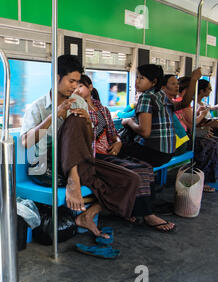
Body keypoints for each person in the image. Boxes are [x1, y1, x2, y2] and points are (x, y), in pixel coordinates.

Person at [20, 55, 140, 239]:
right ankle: (73, 180)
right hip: (48, 166)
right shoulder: (37, 108)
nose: (74, 86)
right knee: (74, 120)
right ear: (56, 77)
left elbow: (89, 140)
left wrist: (86, 122)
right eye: (71, 81)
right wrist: (53, 116)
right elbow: (25, 142)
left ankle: (87, 216)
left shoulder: (79, 102)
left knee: (131, 179)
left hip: (78, 160)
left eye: (77, 82)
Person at [74, 75, 175, 232]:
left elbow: (113, 132)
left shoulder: (102, 109)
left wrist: (118, 142)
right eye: (74, 86)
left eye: (80, 86)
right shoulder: (77, 111)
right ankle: (148, 215)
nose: (76, 90)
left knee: (146, 167)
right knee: (135, 172)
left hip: (109, 152)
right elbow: (82, 140)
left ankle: (135, 210)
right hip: (94, 156)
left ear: (90, 87)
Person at [120, 64, 201, 168]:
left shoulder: (146, 97)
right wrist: (193, 80)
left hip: (154, 153)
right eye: (137, 77)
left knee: (118, 148)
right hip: (168, 151)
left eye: (142, 78)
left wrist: (128, 122)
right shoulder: (161, 94)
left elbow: (145, 132)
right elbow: (184, 103)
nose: (137, 81)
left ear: (154, 82)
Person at [174, 77, 218, 193]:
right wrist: (202, 114)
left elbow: (188, 122)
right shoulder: (182, 104)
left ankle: (205, 176)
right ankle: (200, 179)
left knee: (212, 143)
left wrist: (198, 113)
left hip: (184, 135)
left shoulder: (182, 104)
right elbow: (192, 124)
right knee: (210, 145)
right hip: (181, 140)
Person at [161, 74, 190, 156]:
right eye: (173, 84)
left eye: (177, 84)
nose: (177, 86)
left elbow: (185, 103)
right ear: (163, 88)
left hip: (178, 144)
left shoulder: (166, 102)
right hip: (181, 141)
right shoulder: (166, 102)